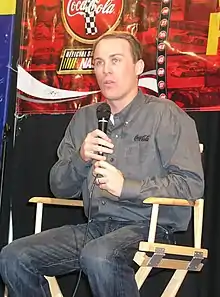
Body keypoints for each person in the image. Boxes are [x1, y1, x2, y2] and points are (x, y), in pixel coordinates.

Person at [0, 31, 204, 297]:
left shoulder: (165, 115)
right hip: (95, 228)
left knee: (99, 255)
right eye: (98, 62)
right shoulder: (85, 118)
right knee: (14, 256)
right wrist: (81, 159)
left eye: (116, 60)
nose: (106, 70)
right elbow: (59, 187)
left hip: (151, 229)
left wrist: (126, 187)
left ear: (138, 67)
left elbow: (191, 184)